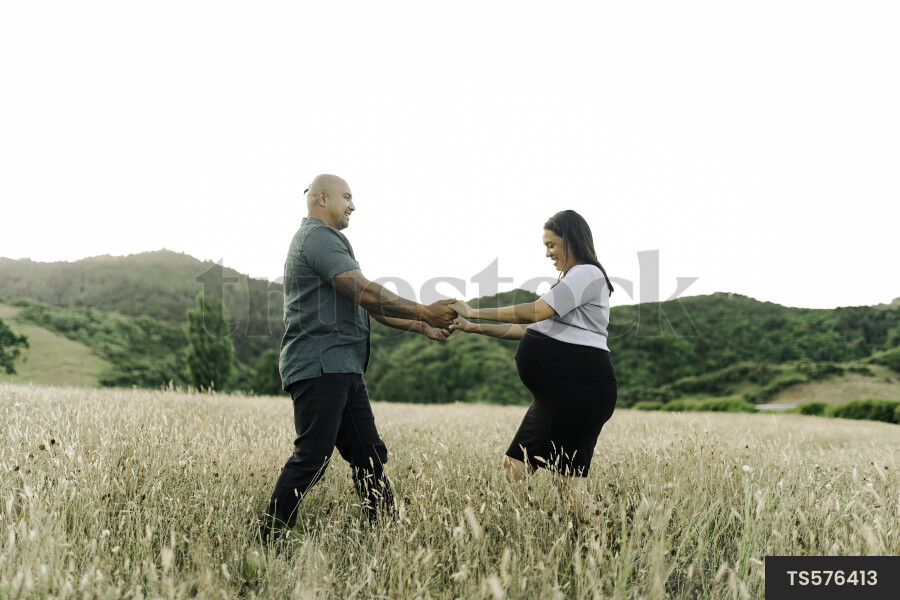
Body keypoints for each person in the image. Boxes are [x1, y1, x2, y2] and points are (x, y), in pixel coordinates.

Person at [262, 174, 456, 540]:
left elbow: (367, 304)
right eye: (347, 197)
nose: (353, 205)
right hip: (321, 365)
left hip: (344, 368)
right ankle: (269, 535)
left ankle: (386, 535)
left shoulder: (332, 241)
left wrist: (421, 325)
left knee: (369, 455)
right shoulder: (317, 238)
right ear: (323, 198)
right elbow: (365, 292)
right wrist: (424, 310)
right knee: (313, 457)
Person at [449, 210, 616, 515]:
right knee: (552, 480)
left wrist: (474, 311)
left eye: (552, 245)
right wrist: (472, 327)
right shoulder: (572, 280)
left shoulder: (586, 273)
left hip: (576, 388)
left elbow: (534, 312)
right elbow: (528, 329)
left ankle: (594, 540)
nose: (548, 253)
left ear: (572, 240)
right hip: (567, 392)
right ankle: (558, 533)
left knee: (531, 473)